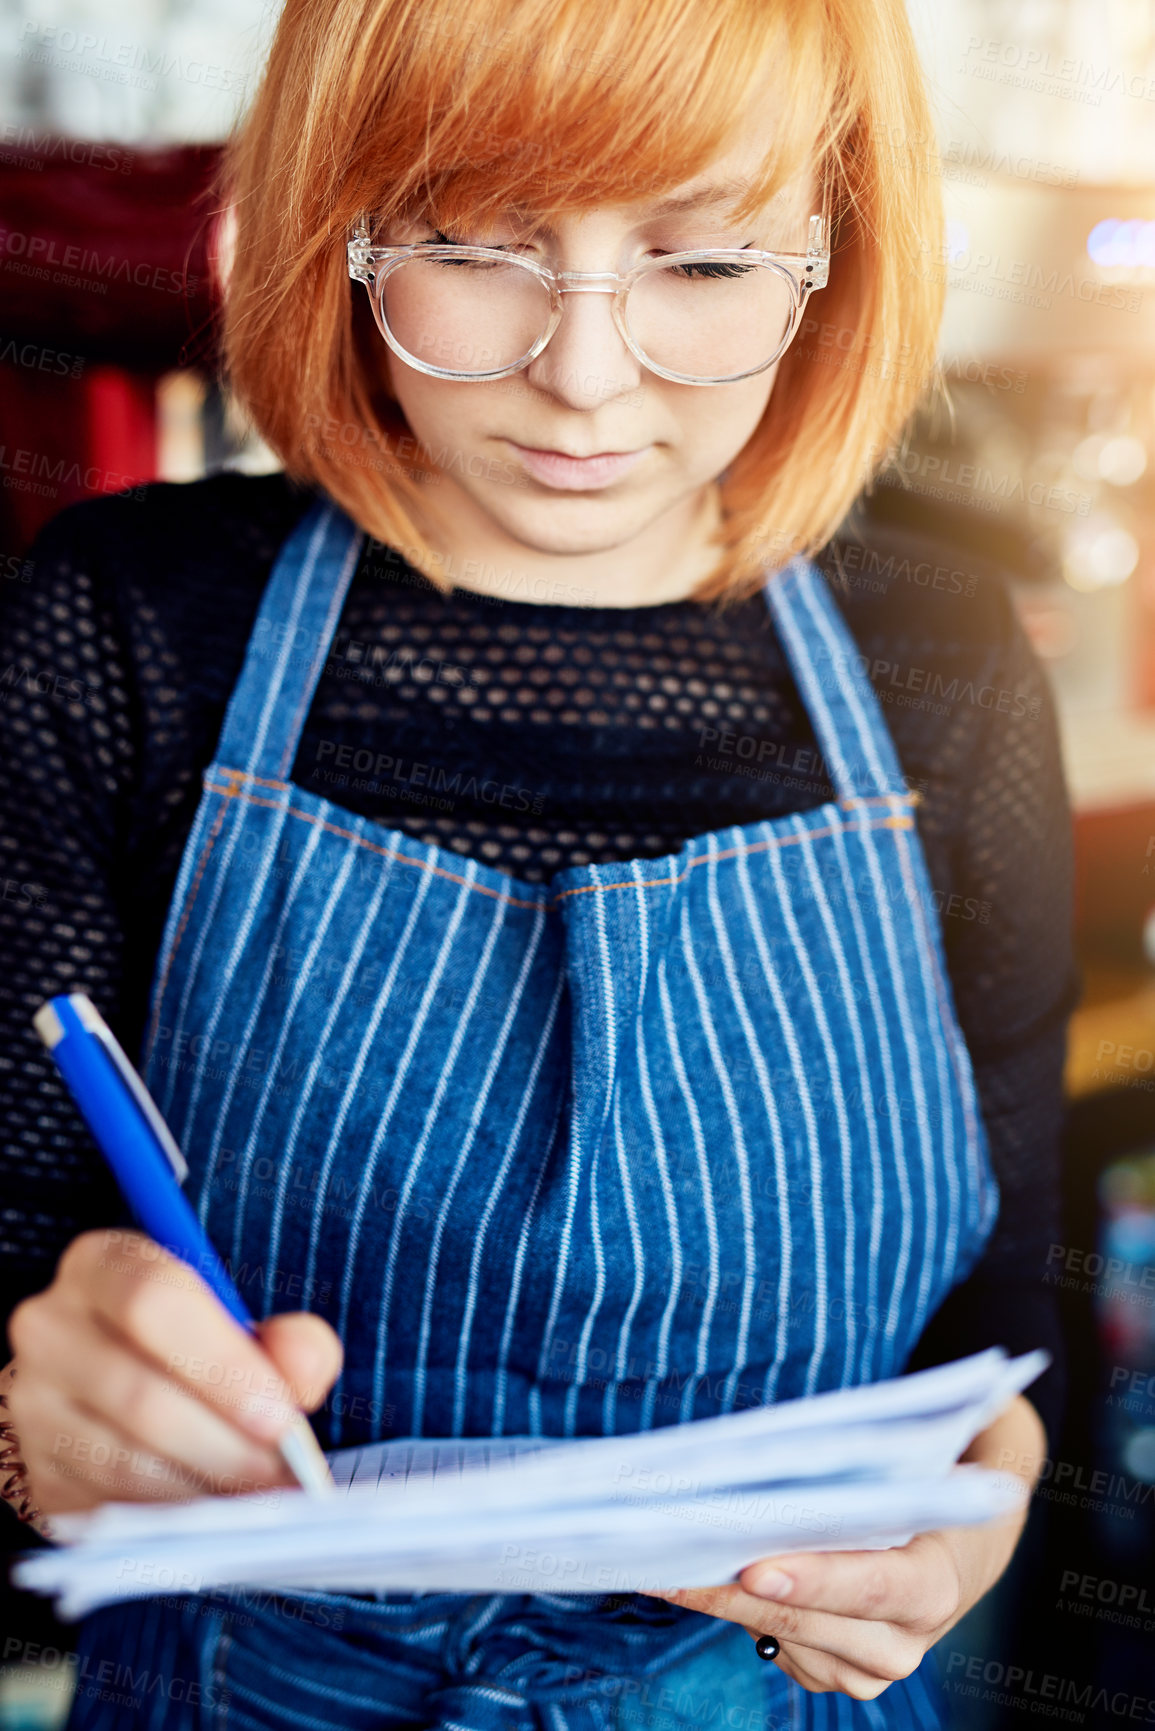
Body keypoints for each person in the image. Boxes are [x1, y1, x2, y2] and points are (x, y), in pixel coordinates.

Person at [0, 0, 1078, 1723]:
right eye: (470, 244)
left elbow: (1003, 1299)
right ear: (335, 237)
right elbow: (16, 1258)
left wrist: (970, 1523)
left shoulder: (940, 653)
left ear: (833, 252)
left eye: (705, 261)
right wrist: (35, 1416)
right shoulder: (126, 622)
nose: (584, 376)